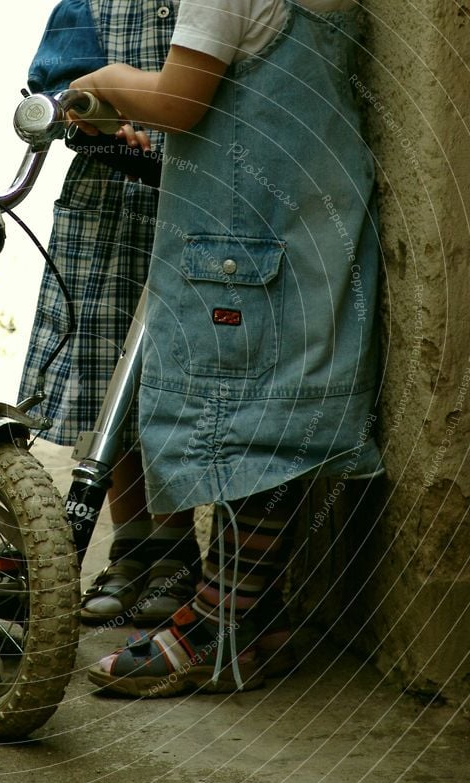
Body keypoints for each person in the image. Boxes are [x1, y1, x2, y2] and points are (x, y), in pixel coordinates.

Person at [69, 0, 384, 696]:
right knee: (283, 412)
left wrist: (114, 81)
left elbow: (179, 100)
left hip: (240, 248)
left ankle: (212, 623)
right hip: (314, 228)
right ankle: (258, 622)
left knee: (245, 432)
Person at [20, 0, 203, 627]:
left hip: (188, 202)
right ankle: (129, 545)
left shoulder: (209, 10)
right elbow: (53, 92)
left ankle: (175, 550)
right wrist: (89, 115)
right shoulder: (90, 5)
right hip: (107, 206)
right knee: (108, 386)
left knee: (169, 384)